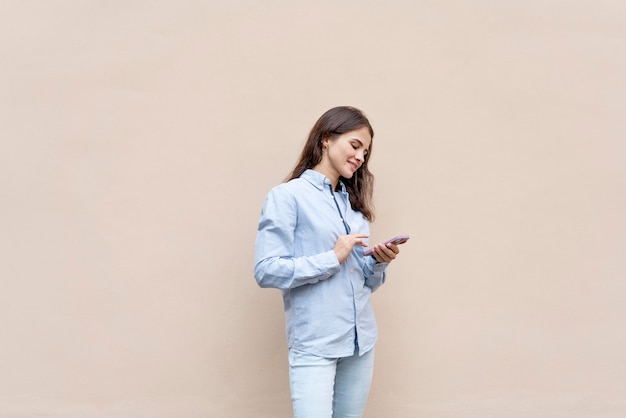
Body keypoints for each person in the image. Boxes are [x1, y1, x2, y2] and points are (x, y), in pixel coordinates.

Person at [254, 106, 401, 418]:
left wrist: (379, 263)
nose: (361, 157)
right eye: (355, 145)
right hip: (316, 342)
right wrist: (331, 258)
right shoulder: (287, 197)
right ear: (325, 139)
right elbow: (266, 269)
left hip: (361, 343)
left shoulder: (355, 209)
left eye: (366, 151)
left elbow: (364, 282)